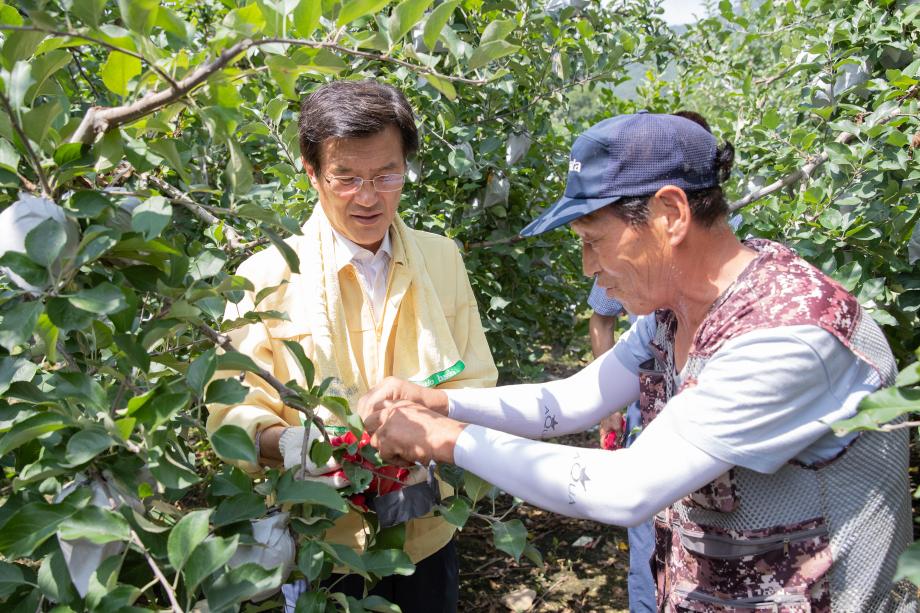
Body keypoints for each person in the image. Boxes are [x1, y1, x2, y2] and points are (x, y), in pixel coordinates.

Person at [357, 112, 917, 611]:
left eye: (592, 241)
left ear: (670, 213)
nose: (586, 268)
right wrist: (438, 400)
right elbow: (572, 399)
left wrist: (442, 436)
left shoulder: (788, 335)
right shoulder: (673, 315)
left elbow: (625, 489)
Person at [206, 79, 498, 613]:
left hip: (427, 530)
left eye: (387, 175)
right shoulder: (265, 279)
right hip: (319, 545)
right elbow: (230, 417)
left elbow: (476, 379)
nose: (368, 197)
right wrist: (298, 446)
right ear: (311, 170)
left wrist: (429, 434)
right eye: (345, 178)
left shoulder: (441, 259)